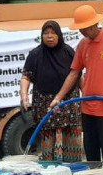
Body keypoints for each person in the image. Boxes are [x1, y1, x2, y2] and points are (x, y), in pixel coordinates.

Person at [50, 5, 103, 162]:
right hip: (88, 107)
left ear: (92, 25)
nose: (81, 32)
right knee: (90, 152)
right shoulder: (83, 45)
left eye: (83, 28)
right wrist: (58, 97)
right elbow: (74, 72)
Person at [20, 20, 82, 162]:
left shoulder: (68, 52)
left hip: (68, 102)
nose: (49, 36)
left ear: (59, 35)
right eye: (46, 33)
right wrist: (24, 96)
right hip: (44, 102)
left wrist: (87, 96)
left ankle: (72, 167)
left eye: (53, 33)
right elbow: (26, 77)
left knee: (71, 136)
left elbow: (77, 75)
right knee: (47, 137)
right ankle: (49, 167)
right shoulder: (35, 54)